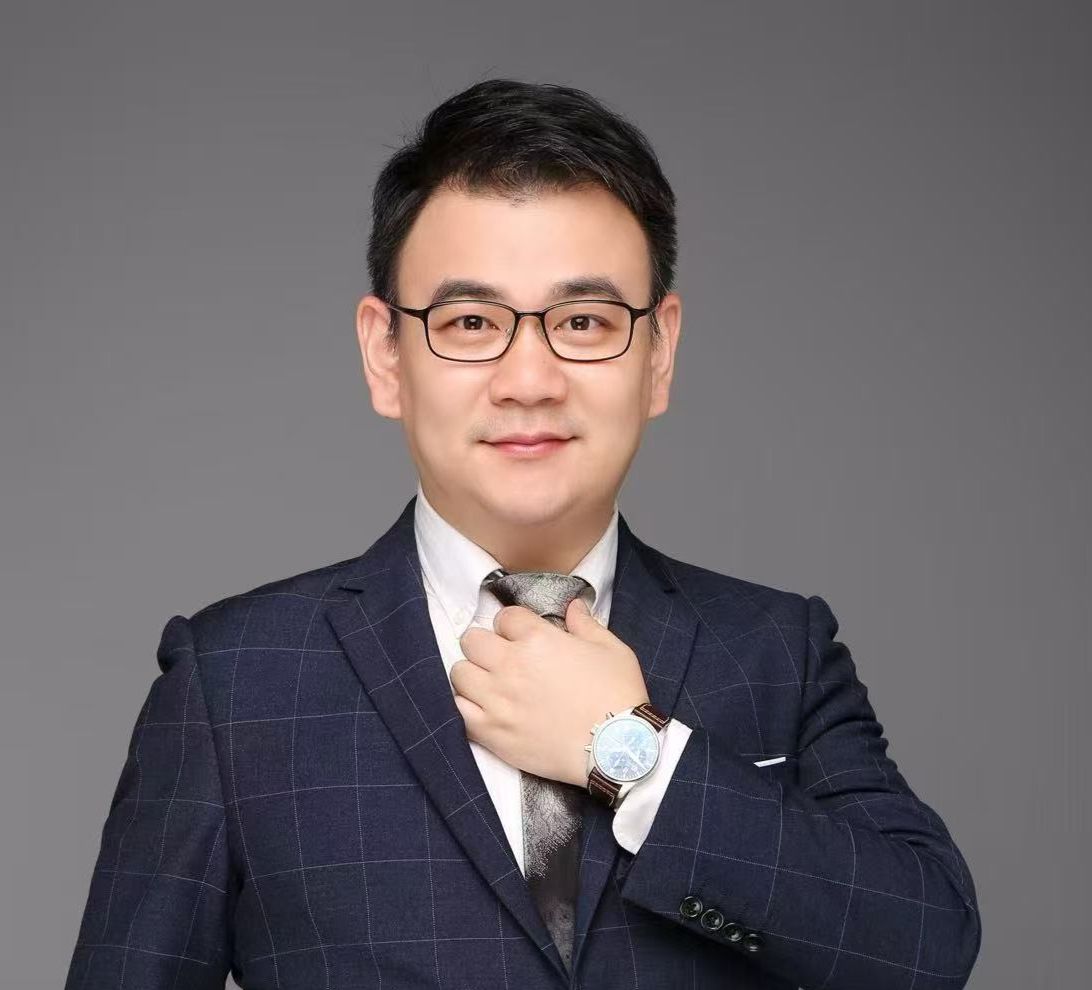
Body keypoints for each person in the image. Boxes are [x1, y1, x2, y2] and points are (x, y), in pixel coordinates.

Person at [64, 78, 981, 989]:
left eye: (584, 321)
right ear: (386, 356)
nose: (530, 380)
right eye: (470, 323)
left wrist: (633, 755)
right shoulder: (235, 684)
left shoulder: (778, 651)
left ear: (658, 353)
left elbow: (924, 949)